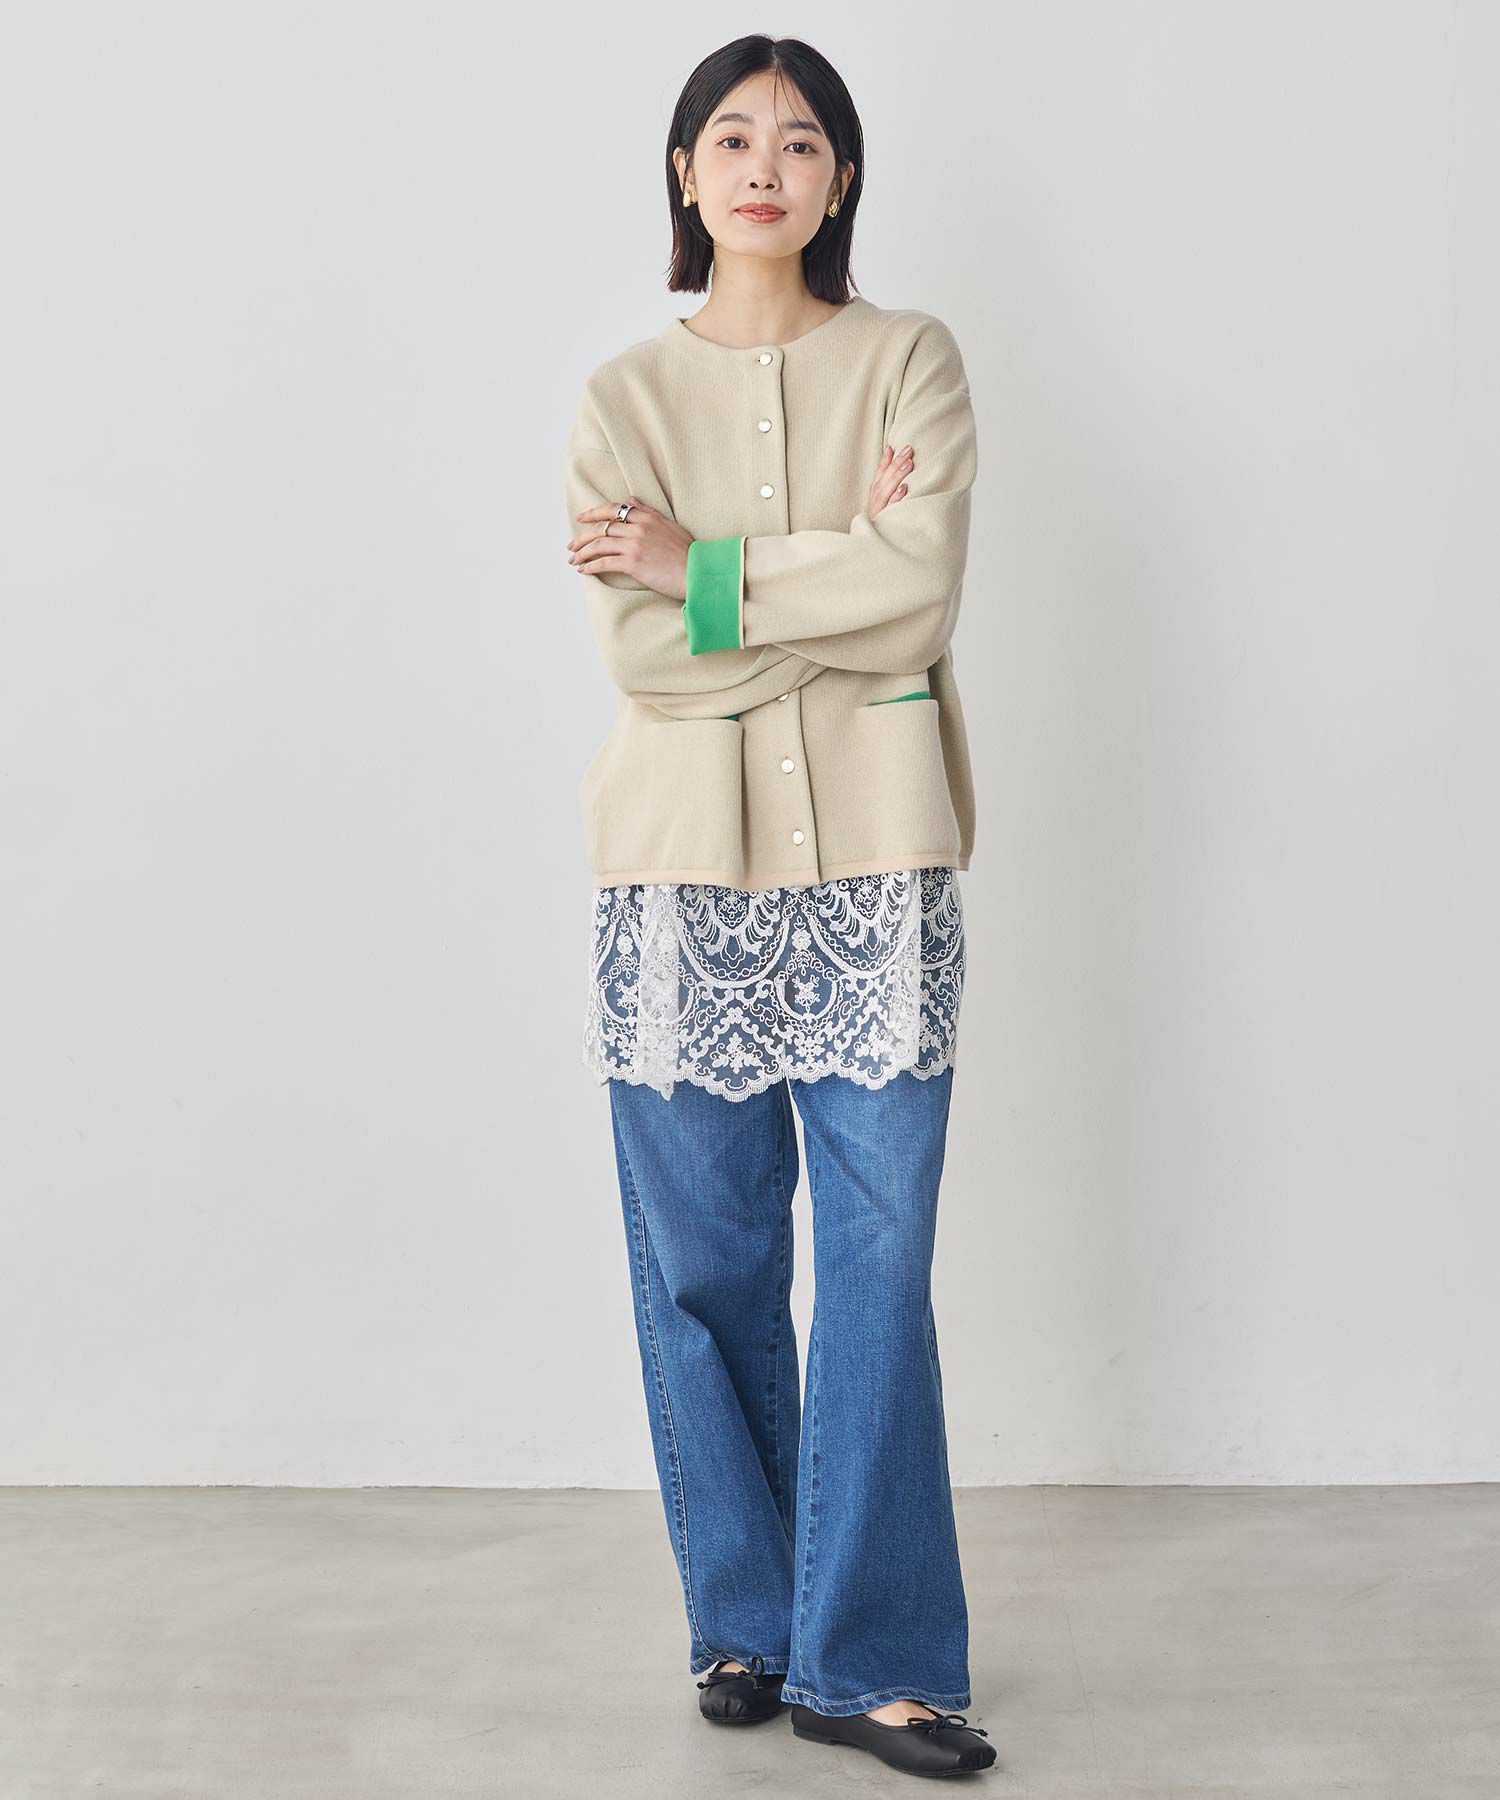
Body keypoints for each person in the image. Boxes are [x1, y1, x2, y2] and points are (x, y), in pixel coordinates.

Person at [562, 34, 996, 1782]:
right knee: (709, 1269)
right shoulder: (620, 399)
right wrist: (834, 595)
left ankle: (866, 1660)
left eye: (800, 140)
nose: (764, 166)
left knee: (879, 1266)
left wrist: (706, 569)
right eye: (730, 139)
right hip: (679, 883)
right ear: (685, 174)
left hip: (881, 874)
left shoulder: (912, 361)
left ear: (841, 179)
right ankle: (747, 1621)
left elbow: (923, 594)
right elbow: (640, 654)